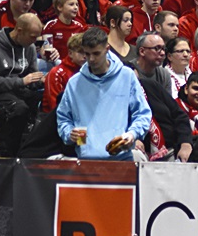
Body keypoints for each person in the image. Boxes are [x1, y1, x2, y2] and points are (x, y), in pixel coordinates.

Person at [56, 27, 152, 161]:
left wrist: (132, 134)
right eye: (87, 54)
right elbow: (63, 118)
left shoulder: (126, 76)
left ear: (107, 49)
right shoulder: (74, 83)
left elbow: (142, 114)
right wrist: (69, 134)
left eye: (96, 53)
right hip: (86, 160)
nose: (91, 59)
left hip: (122, 158)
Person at [0, 12, 46, 156]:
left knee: (47, 101)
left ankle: (35, 150)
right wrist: (21, 81)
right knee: (20, 109)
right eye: (32, 36)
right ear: (19, 31)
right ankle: (9, 154)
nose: (34, 41)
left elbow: (32, 78)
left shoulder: (29, 47)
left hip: (20, 91)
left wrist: (42, 81)